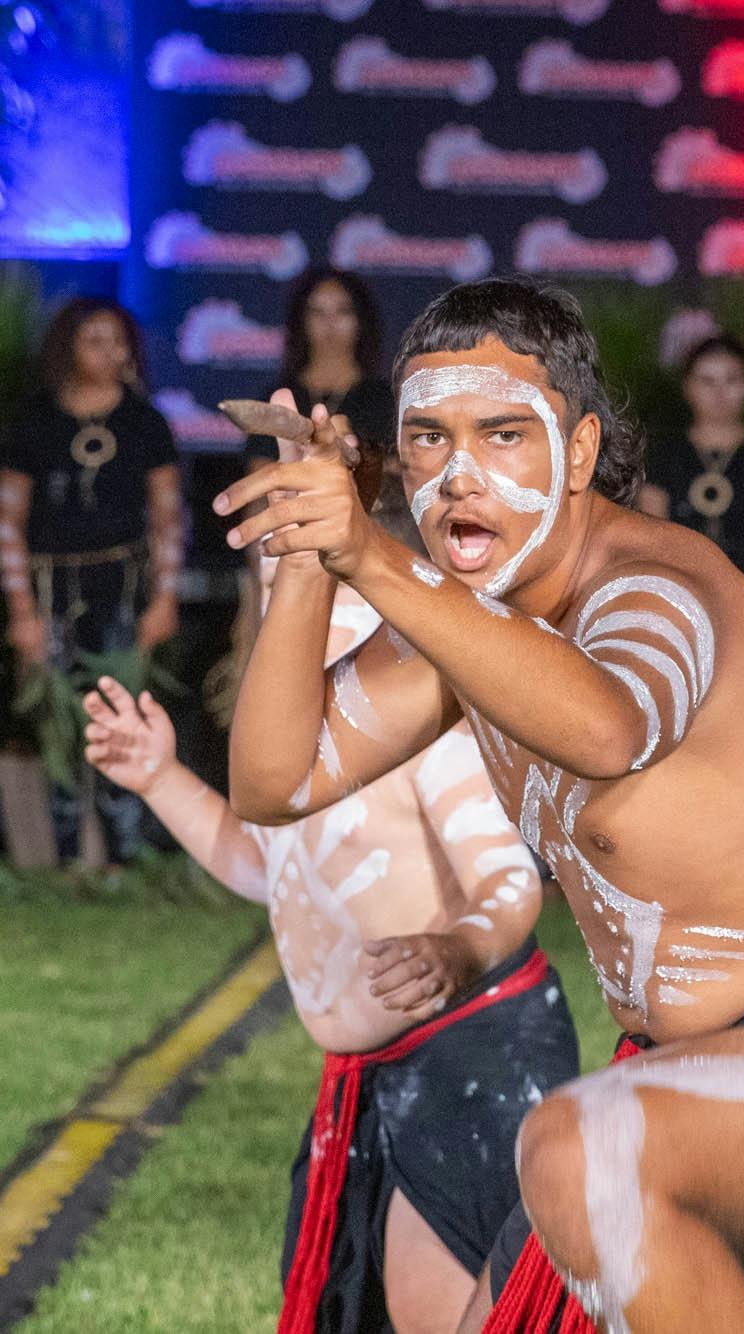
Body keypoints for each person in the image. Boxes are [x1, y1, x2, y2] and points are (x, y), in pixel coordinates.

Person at [213, 278, 744, 1334]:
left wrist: (373, 553)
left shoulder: (656, 585)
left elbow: (609, 727)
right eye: (428, 439)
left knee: (578, 1146)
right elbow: (275, 780)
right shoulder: (461, 623)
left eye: (502, 433)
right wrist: (307, 563)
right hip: (680, 1070)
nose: (459, 474)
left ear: (579, 452)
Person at [83, 511, 577, 1333]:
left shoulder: (423, 727)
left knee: (443, 1313)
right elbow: (269, 871)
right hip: (367, 1078)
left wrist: (457, 947)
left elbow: (508, 881)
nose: (295, 605)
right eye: (277, 585)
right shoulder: (283, 750)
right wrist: (161, 779)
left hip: (469, 1054)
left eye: (318, 582)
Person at [0, 297, 183, 863]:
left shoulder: (144, 422)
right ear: (67, 348)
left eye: (119, 340)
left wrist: (165, 597)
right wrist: (22, 611)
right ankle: (62, 862)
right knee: (60, 724)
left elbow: (168, 517)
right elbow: (8, 520)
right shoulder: (36, 421)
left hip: (123, 593)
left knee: (122, 719)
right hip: (51, 591)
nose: (111, 352)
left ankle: (124, 862)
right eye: (95, 340)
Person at [636, 333, 744, 621]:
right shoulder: (666, 454)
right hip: (680, 605)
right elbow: (653, 545)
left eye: (731, 380)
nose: (720, 393)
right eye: (707, 381)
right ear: (687, 387)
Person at [246, 266, 396, 467]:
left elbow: (397, 481)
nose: (330, 323)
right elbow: (259, 480)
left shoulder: (385, 401)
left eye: (343, 311)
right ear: (302, 320)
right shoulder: (279, 398)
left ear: (361, 320)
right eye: (317, 311)